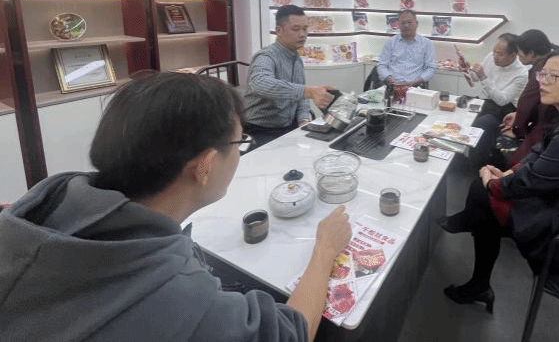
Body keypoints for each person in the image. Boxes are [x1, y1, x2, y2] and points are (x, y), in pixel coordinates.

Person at [0, 72, 352, 341]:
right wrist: (325, 250)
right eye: (239, 142)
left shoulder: (43, 203)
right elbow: (291, 332)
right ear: (205, 165)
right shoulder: (181, 301)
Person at [439, 48, 559, 323]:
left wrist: (495, 182)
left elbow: (526, 183)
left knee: (483, 195)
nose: (543, 82)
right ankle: (476, 270)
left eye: (554, 76)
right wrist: (509, 173)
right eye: (542, 74)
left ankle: (476, 270)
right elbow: (540, 155)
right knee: (484, 198)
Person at [244, 5, 335, 147]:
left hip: (289, 126)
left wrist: (303, 120)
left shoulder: (296, 59)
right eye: (296, 29)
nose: (302, 34)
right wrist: (309, 91)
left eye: (305, 29)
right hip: (260, 130)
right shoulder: (266, 56)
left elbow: (301, 97)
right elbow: (259, 82)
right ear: (279, 31)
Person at [469, 29, 556, 170]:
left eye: (500, 54)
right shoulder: (491, 57)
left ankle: (478, 167)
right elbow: (474, 78)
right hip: (488, 103)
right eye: (494, 52)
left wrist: (518, 125)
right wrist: (468, 70)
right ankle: (466, 158)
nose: (495, 57)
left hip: (503, 108)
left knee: (483, 123)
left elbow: (504, 100)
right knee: (464, 113)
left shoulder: (524, 72)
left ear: (513, 55)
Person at [377, 9, 435, 87]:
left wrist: (417, 81)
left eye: (409, 22)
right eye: (403, 23)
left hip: (415, 86)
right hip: (392, 85)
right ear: (398, 25)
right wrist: (392, 80)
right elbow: (382, 65)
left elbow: (430, 68)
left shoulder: (426, 43)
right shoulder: (390, 42)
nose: (406, 25)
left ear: (416, 24)